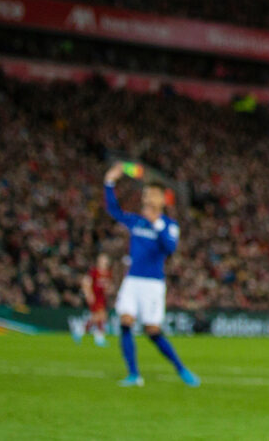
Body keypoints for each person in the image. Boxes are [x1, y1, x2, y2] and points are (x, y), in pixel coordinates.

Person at [103, 162, 199, 388]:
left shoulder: (169, 225)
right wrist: (109, 182)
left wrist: (156, 224)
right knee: (125, 322)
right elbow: (113, 211)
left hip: (153, 284)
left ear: (162, 200)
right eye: (146, 193)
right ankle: (134, 375)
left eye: (152, 194)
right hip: (132, 280)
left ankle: (181, 368)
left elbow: (170, 248)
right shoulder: (136, 221)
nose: (147, 197)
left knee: (152, 331)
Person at [74, 252, 112, 346]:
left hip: (102, 297)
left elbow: (107, 286)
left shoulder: (107, 273)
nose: (105, 261)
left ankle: (80, 332)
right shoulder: (94, 271)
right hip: (95, 297)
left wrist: (109, 289)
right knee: (101, 316)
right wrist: (89, 294)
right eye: (103, 259)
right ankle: (99, 338)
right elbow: (86, 283)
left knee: (97, 317)